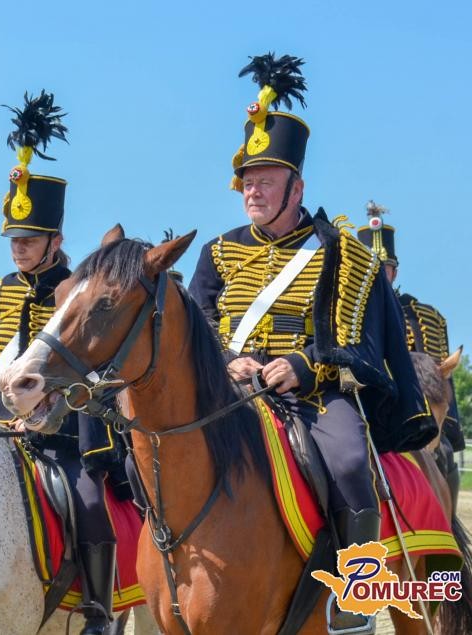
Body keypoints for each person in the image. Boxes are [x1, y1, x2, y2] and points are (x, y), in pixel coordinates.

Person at [188, 54, 437, 631]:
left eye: (266, 182)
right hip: (231, 394)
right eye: (247, 182)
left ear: (296, 186)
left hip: (313, 395)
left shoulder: (341, 253)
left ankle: (354, 600)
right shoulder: (217, 253)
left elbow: (358, 336)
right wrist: (228, 360)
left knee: (351, 462)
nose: (252, 192)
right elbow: (200, 321)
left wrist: (302, 364)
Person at [0, 91, 127, 635]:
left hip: (61, 440)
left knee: (86, 505)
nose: (18, 248)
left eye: (28, 239)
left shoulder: (77, 291)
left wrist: (48, 415)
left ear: (56, 239)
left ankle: (98, 608)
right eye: (13, 238)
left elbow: (98, 372)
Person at [358, 200, 464, 510]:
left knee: (443, 454)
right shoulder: (350, 314)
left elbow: (440, 377)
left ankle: (448, 534)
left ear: (395, 270)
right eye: (373, 269)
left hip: (417, 409)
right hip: (370, 407)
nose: (380, 274)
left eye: (385, 268)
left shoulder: (424, 315)